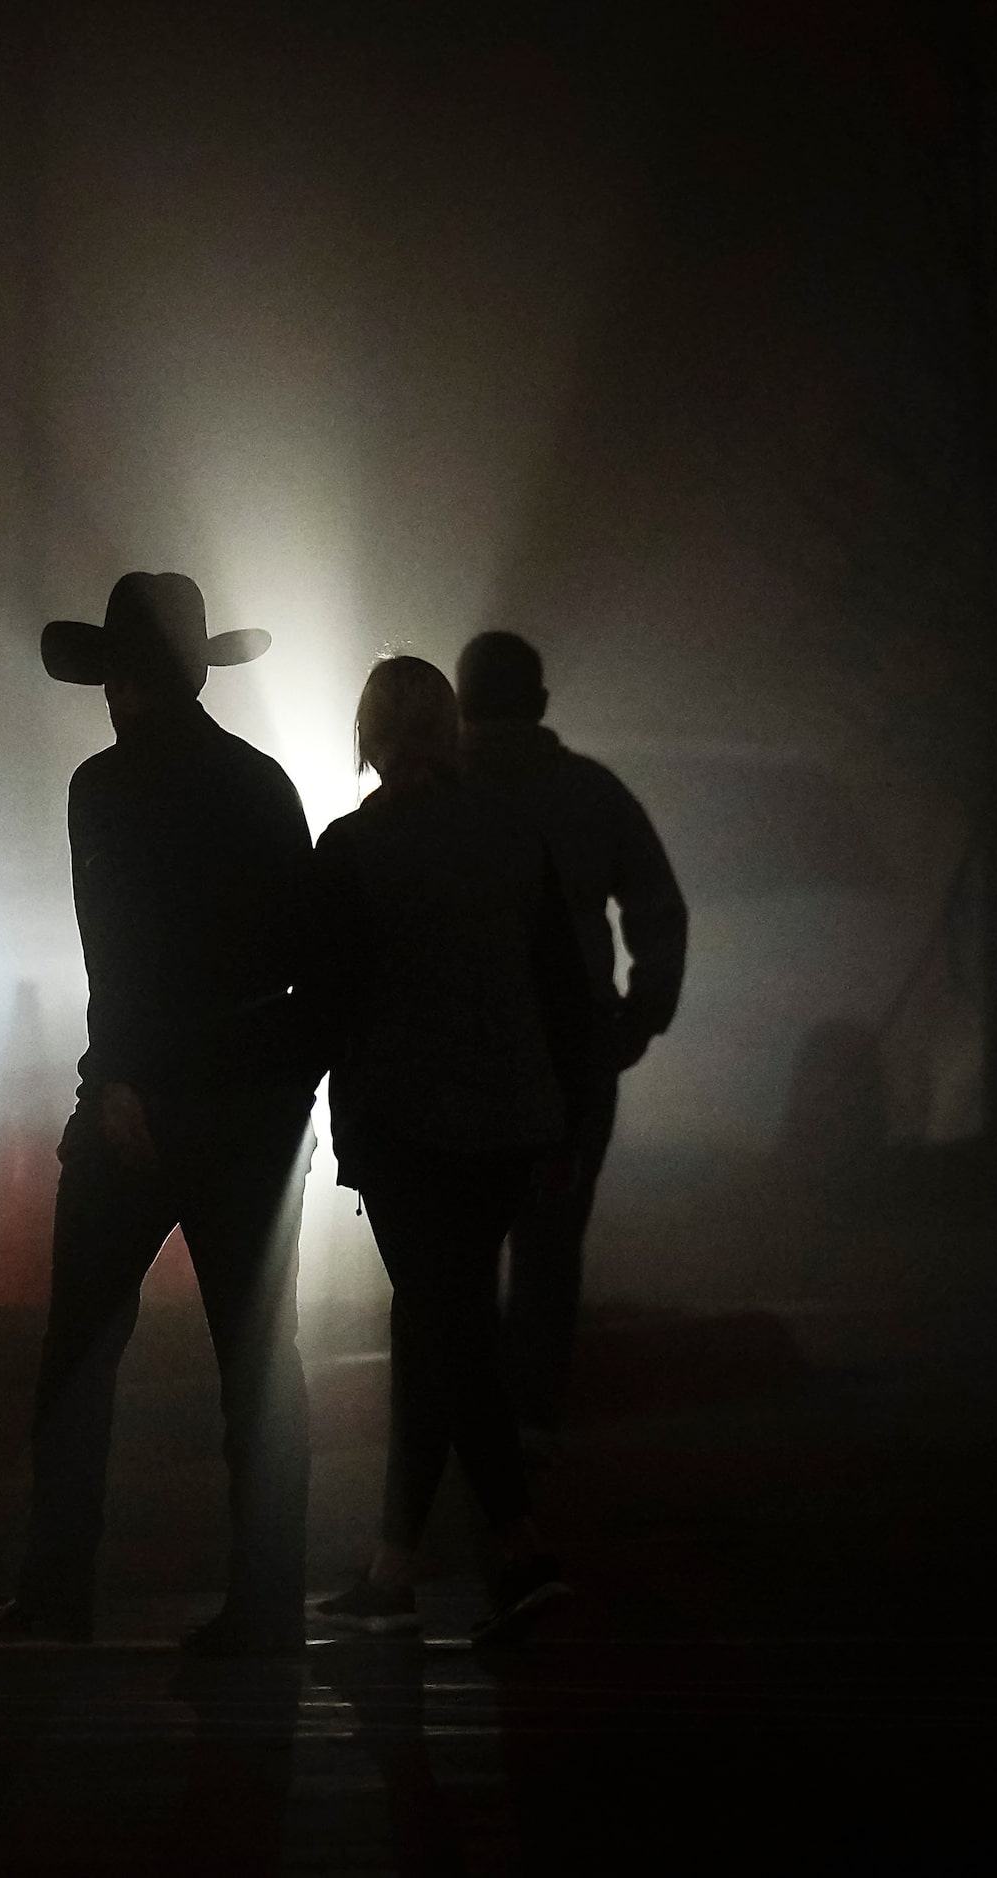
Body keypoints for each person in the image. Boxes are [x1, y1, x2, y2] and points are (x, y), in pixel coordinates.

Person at [0, 571, 317, 1657]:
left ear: (124, 680)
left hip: (143, 1093)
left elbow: (114, 951)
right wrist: (281, 1085)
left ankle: (54, 1592)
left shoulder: (102, 789)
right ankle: (265, 1602)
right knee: (258, 1362)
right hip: (250, 1099)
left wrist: (117, 1079)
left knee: (78, 1352)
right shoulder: (263, 784)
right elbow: (297, 959)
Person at [304, 655, 590, 1645]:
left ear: (369, 738)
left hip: (403, 1129)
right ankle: (395, 1563)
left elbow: (326, 1005)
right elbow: (562, 985)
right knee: (437, 1322)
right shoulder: (514, 838)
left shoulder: (349, 848)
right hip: (510, 1122)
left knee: (445, 1329)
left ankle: (516, 1549)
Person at [455, 631, 687, 1443]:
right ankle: (534, 1420)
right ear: (543, 704)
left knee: (456, 1252)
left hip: (459, 1060)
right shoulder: (592, 793)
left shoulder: (435, 794)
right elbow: (659, 909)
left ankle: (461, 1421)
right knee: (550, 1247)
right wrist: (637, 1017)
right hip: (573, 1056)